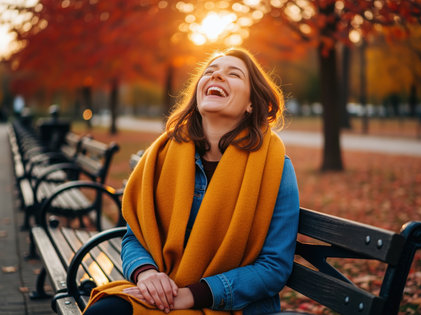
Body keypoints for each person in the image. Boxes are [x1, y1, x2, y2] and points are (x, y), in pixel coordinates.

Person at [84, 48, 300, 315]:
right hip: (160, 294)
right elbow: (135, 237)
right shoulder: (162, 155)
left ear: (251, 104)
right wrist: (147, 273)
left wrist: (193, 295)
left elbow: (273, 267)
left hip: (227, 306)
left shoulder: (275, 167)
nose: (216, 75)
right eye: (209, 72)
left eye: (233, 74)